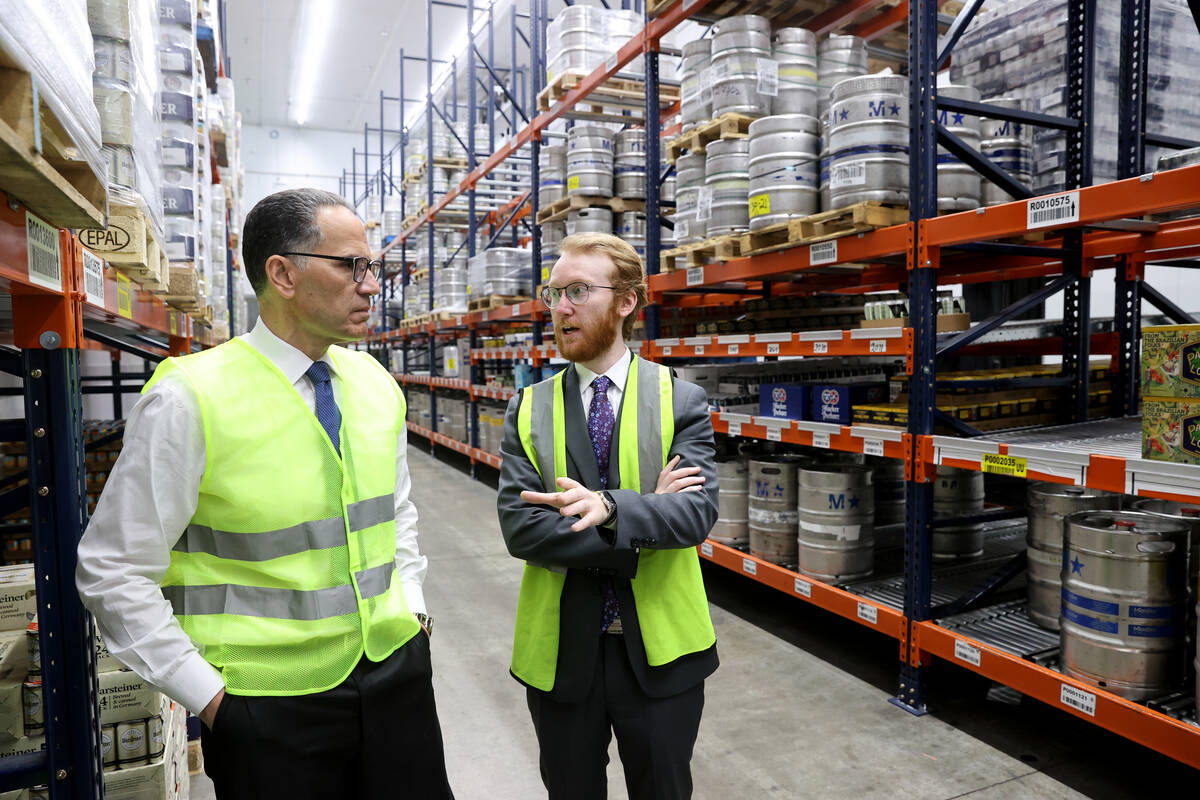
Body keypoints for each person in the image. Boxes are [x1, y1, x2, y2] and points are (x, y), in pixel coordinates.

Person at [76, 188, 454, 799]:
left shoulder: (375, 383)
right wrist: (210, 697)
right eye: (350, 266)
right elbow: (112, 568)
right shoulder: (191, 397)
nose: (371, 284)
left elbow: (396, 512)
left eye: (373, 267)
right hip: (267, 706)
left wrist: (414, 610)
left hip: (396, 679)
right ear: (282, 273)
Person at [496, 232, 720, 800]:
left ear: (625, 301)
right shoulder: (528, 409)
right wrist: (644, 522)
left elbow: (695, 514)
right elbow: (522, 529)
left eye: (578, 291)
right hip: (564, 655)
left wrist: (610, 507)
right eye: (553, 293)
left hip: (661, 654)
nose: (561, 308)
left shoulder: (681, 400)